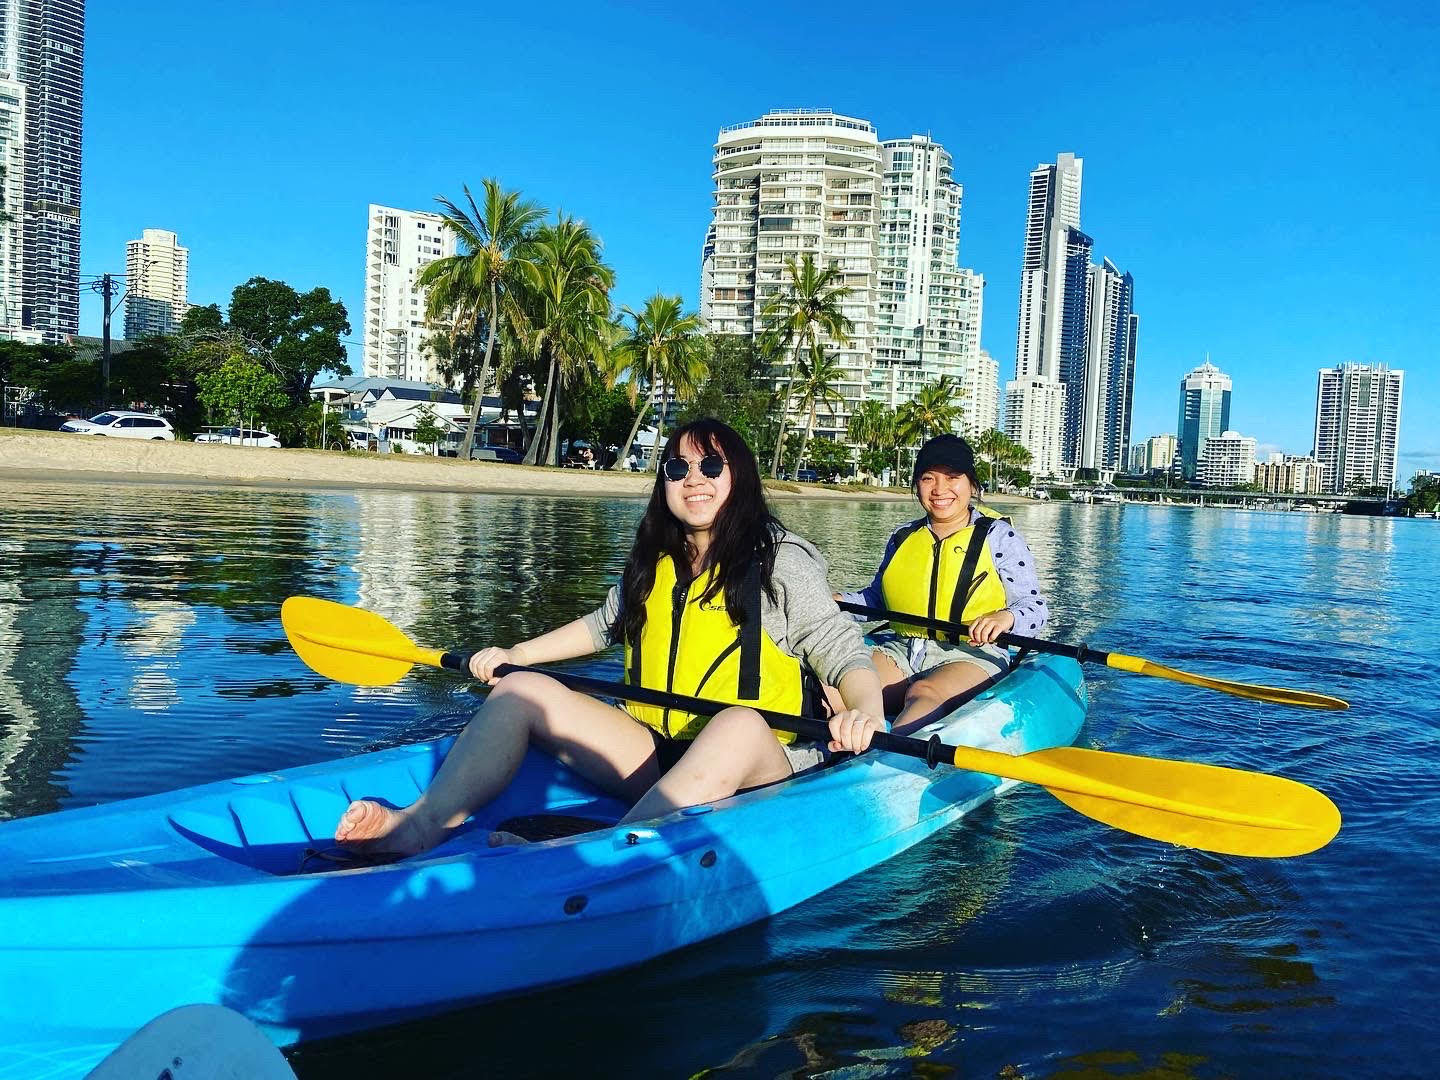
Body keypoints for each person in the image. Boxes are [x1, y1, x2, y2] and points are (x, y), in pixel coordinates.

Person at [336, 418, 886, 856]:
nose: (693, 478)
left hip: (756, 772)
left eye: (711, 465)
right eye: (678, 467)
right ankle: (419, 825)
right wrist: (514, 656)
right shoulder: (656, 557)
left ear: (738, 477)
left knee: (737, 723)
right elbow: (602, 625)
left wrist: (865, 711)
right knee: (521, 690)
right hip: (653, 754)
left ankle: (601, 850)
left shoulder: (781, 559)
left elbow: (840, 650)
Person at [836, 433, 1049, 734]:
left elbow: (1035, 608)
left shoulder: (1000, 537)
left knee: (923, 694)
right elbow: (877, 601)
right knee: (838, 683)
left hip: (972, 654)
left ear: (972, 485)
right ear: (917, 485)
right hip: (903, 648)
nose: (940, 489)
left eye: (952, 478)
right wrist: (835, 603)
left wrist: (1006, 617)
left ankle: (887, 761)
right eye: (928, 478)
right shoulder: (902, 537)